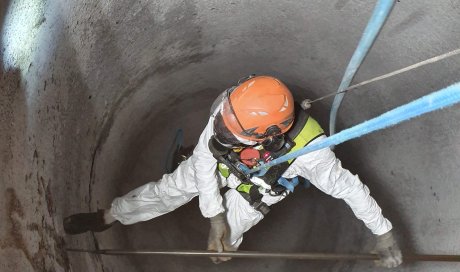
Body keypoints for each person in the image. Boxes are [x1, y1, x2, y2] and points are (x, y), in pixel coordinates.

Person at [64, 75, 403, 268]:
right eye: (223, 121)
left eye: (232, 132)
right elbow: (206, 156)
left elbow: (348, 188)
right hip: (223, 165)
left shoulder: (312, 153)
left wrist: (382, 232)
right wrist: (213, 215)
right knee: (168, 190)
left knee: (225, 243)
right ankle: (109, 216)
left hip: (261, 185)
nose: (220, 129)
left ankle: (219, 250)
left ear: (270, 136)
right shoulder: (236, 110)